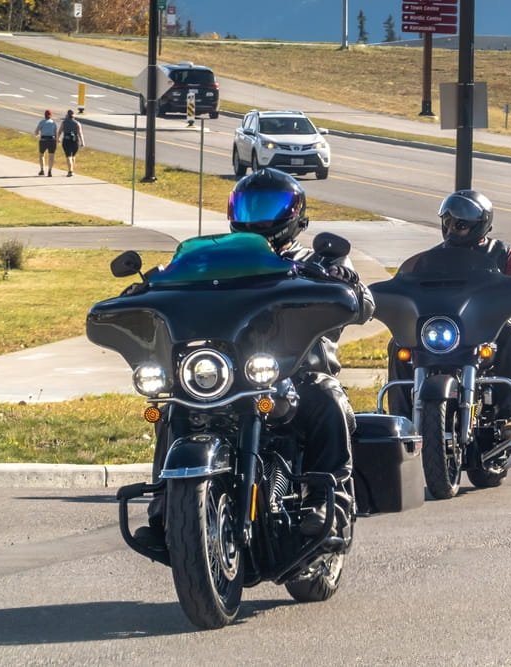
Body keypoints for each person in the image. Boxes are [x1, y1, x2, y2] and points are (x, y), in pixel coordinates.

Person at [134, 168, 374, 549]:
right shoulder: (220, 263)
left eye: (270, 206)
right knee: (172, 407)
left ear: (297, 215)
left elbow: (365, 303)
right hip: (231, 374)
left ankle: (329, 505)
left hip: (297, 373)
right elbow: (178, 281)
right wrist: (149, 284)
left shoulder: (314, 261)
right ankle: (167, 502)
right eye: (248, 206)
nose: (257, 217)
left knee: (327, 399)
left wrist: (346, 281)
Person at [386, 190, 511, 432]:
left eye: (460, 224)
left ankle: (510, 412)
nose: (452, 229)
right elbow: (404, 285)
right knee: (398, 344)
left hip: (486, 328)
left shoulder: (506, 255)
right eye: (448, 222)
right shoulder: (429, 259)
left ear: (479, 225)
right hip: (441, 330)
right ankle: (400, 419)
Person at [55, 109, 85, 177]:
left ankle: (70, 171)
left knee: (68, 156)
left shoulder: (64, 122)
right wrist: (82, 142)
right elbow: (80, 133)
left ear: (67, 115)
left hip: (66, 140)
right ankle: (72, 169)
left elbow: (59, 131)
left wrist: (58, 139)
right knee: (73, 156)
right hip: (75, 141)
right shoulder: (77, 123)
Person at [34, 109, 57, 177]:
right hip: (52, 140)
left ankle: (42, 170)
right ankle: (50, 170)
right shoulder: (53, 123)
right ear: (51, 115)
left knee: (41, 155)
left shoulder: (42, 122)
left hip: (43, 140)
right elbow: (55, 133)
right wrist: (56, 140)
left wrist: (37, 135)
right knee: (51, 156)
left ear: (45, 115)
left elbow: (36, 131)